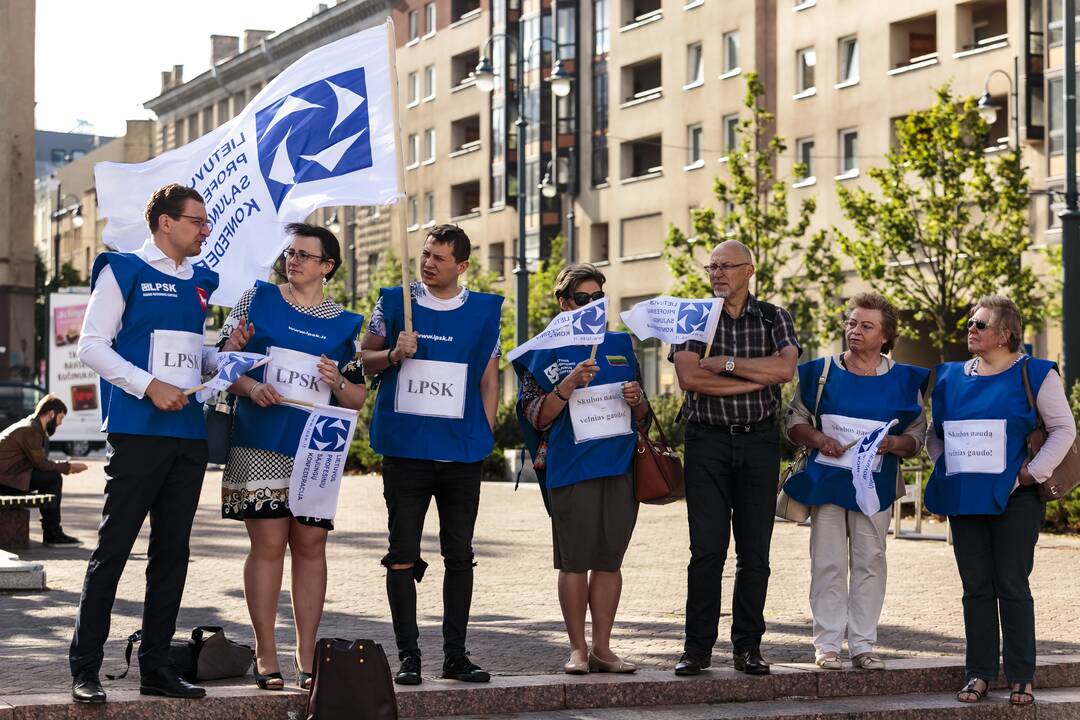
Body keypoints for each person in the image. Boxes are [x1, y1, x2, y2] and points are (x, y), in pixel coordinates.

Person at [69, 184, 252, 705]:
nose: (206, 231)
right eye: (197, 221)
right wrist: (148, 385)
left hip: (188, 437)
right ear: (166, 223)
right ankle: (85, 667)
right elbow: (91, 345)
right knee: (113, 551)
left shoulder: (201, 282)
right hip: (138, 433)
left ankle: (156, 668)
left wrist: (223, 355)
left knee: (172, 555)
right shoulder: (122, 269)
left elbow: (191, 360)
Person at [219, 223, 366, 691]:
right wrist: (250, 384)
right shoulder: (255, 299)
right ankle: (266, 653)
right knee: (267, 547)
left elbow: (357, 396)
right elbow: (222, 361)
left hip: (317, 451)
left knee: (310, 547)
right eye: (290, 253)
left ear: (328, 266)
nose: (294, 261)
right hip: (259, 443)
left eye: (305, 255)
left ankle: (308, 655)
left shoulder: (346, 324)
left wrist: (337, 380)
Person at [362, 224, 502, 686]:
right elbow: (363, 360)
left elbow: (488, 376)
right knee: (401, 553)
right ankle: (408, 657)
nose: (428, 263)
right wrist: (394, 354)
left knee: (459, 554)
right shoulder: (393, 302)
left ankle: (456, 656)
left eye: (440, 258)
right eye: (425, 254)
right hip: (406, 452)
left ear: (461, 266)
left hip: (461, 455)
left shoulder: (484, 312)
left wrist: (484, 431)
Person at [925, 296, 1075, 707]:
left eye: (980, 324)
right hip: (964, 496)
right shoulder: (949, 377)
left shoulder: (1036, 373)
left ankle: (1022, 676)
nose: (970, 329)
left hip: (1017, 498)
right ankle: (979, 674)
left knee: (1011, 584)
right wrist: (949, 466)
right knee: (975, 587)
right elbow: (936, 434)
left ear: (1006, 334)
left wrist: (1030, 474)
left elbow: (1064, 428)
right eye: (970, 323)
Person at [669, 240, 800, 677]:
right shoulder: (694, 316)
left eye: (726, 266)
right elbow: (689, 377)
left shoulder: (774, 317)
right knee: (706, 551)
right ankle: (697, 649)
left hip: (759, 443)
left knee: (755, 554)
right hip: (706, 442)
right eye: (712, 266)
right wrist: (750, 377)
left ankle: (748, 647)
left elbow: (784, 371)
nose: (717, 273)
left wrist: (723, 364)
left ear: (749, 270)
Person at [512, 264, 651, 675]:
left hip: (619, 466)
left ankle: (604, 649)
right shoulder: (541, 350)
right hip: (570, 467)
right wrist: (567, 385)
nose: (592, 307)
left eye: (598, 299)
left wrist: (637, 397)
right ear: (564, 303)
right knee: (573, 561)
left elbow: (643, 417)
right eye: (583, 299)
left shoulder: (621, 345)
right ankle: (577, 648)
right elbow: (536, 417)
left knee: (609, 560)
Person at [782, 293, 929, 671]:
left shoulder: (904, 379)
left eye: (866, 325)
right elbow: (794, 419)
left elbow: (917, 434)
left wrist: (893, 443)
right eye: (851, 322)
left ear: (885, 336)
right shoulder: (820, 372)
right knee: (827, 562)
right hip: (827, 482)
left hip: (874, 487)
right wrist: (818, 440)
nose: (855, 330)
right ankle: (827, 644)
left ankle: (863, 644)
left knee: (870, 562)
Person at [0, 394, 89, 546]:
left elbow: (38, 463)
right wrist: (68, 467)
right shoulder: (31, 430)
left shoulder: (31, 425)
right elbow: (41, 464)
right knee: (53, 478)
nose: (60, 423)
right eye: (60, 418)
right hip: (5, 480)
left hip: (8, 477)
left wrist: (65, 466)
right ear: (51, 414)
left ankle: (52, 531)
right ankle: (52, 533)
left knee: (49, 478)